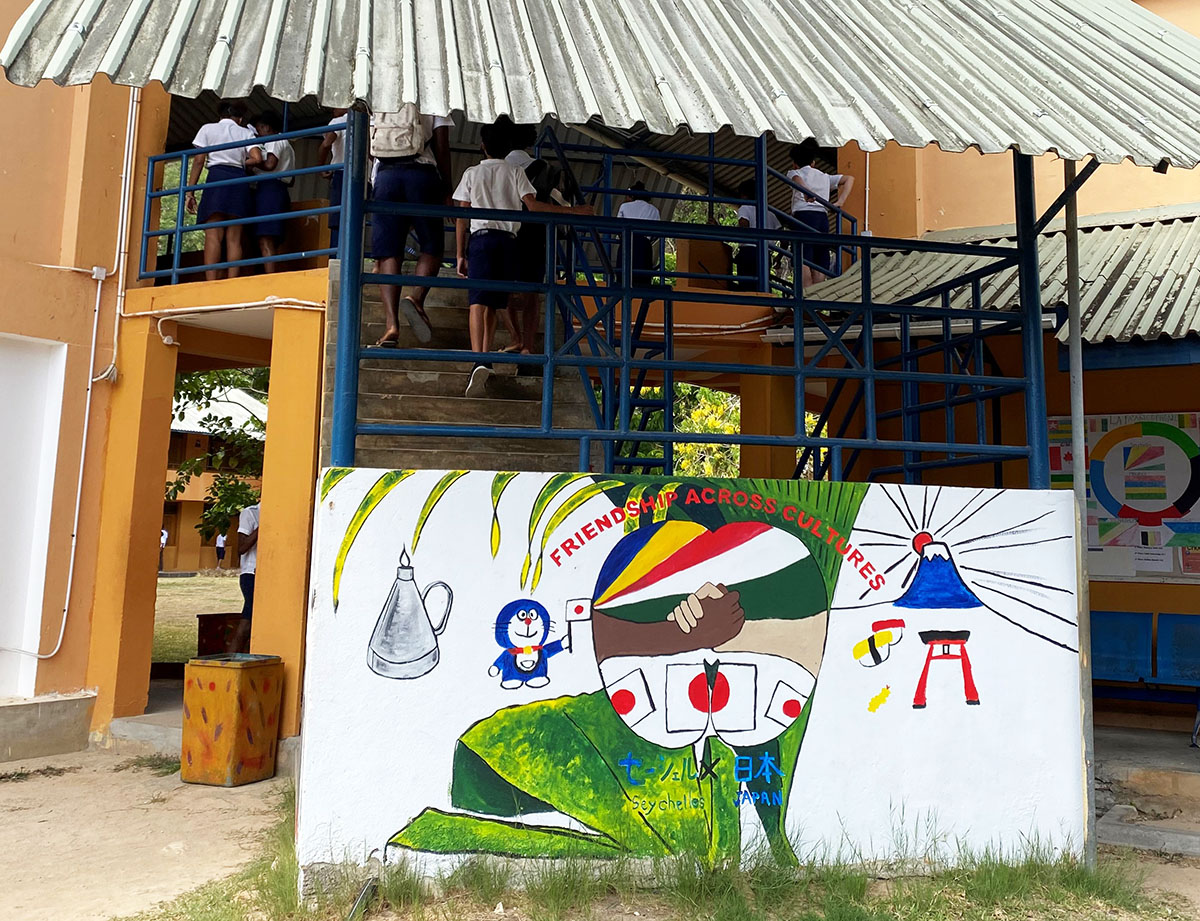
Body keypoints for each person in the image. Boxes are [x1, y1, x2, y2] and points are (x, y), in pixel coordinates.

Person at [453, 121, 592, 398]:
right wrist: (576, 211)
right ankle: (494, 354)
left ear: (483, 146)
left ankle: (479, 359)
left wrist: (459, 253)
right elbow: (534, 206)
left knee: (478, 302)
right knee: (495, 302)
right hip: (508, 242)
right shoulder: (515, 171)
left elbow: (462, 214)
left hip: (480, 239)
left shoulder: (471, 172)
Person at [370, 106, 454, 347]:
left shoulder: (384, 96)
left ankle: (391, 326)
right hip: (422, 175)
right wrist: (447, 188)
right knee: (432, 245)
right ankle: (416, 297)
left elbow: (369, 147)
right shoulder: (433, 96)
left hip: (386, 177)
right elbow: (442, 146)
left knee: (389, 252)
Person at [503, 119, 568, 358]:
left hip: (506, 233)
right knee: (532, 294)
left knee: (503, 289)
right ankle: (528, 345)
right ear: (530, 141)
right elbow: (555, 199)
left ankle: (514, 337)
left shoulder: (500, 166)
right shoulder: (543, 168)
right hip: (535, 235)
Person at [185, 100, 263, 281]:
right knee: (234, 237)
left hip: (216, 179)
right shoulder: (246, 132)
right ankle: (232, 281)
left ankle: (211, 282)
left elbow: (198, 160)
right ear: (240, 118)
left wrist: (190, 192)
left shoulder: (207, 129)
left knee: (213, 235)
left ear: (220, 115)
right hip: (238, 179)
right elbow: (257, 158)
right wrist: (241, 162)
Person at [786, 139, 854, 287]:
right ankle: (816, 301)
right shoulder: (824, 177)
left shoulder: (794, 172)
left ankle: (805, 298)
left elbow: (797, 180)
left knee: (802, 258)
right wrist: (840, 201)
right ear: (813, 163)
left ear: (794, 163)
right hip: (822, 219)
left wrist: (807, 192)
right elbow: (849, 179)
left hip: (803, 218)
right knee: (819, 259)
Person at [250, 111, 294, 273]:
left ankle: (270, 277)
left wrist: (251, 163)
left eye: (259, 128)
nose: (258, 133)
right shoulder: (287, 144)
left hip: (269, 190)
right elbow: (292, 179)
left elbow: (270, 164)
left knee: (265, 236)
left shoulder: (274, 140)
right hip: (280, 190)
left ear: (266, 127)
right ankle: (270, 273)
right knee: (272, 237)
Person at [734, 178, 782, 291]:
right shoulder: (771, 214)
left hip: (748, 252)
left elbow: (743, 226)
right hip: (766, 254)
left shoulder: (745, 208)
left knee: (746, 287)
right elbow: (784, 240)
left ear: (744, 195)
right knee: (762, 285)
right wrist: (779, 258)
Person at [616, 181, 661, 285]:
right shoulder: (654, 210)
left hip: (627, 242)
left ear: (632, 195)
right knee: (642, 278)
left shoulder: (624, 206)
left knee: (624, 275)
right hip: (644, 244)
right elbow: (657, 232)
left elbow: (618, 226)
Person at [230, 502, 260, 654]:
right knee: (247, 621)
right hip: (251, 574)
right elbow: (241, 547)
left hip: (269, 575)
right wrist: (262, 527)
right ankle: (231, 660)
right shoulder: (250, 513)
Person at [318, 108, 348, 250]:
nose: (332, 109)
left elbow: (326, 144)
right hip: (362, 176)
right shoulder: (368, 120)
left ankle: (337, 258)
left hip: (341, 173)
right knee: (354, 219)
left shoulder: (338, 121)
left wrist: (321, 167)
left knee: (337, 220)